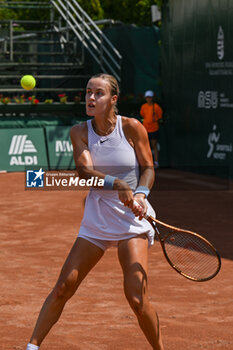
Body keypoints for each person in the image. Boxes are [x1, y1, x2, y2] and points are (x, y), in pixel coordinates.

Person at [26, 73, 164, 350]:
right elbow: (84, 171)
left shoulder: (133, 127)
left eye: (98, 93)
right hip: (98, 218)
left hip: (131, 220)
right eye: (88, 92)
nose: (90, 97)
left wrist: (140, 193)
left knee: (137, 299)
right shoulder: (79, 131)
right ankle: (31, 347)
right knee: (63, 288)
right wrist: (118, 184)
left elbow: (148, 168)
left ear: (113, 99)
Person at [140, 90, 163, 169]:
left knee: (154, 145)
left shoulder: (156, 107)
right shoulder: (143, 107)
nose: (148, 99)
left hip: (154, 129)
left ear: (152, 98)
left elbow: (160, 116)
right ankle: (147, 163)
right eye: (147, 97)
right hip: (145, 129)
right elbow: (142, 115)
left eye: (149, 97)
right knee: (146, 146)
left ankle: (156, 162)